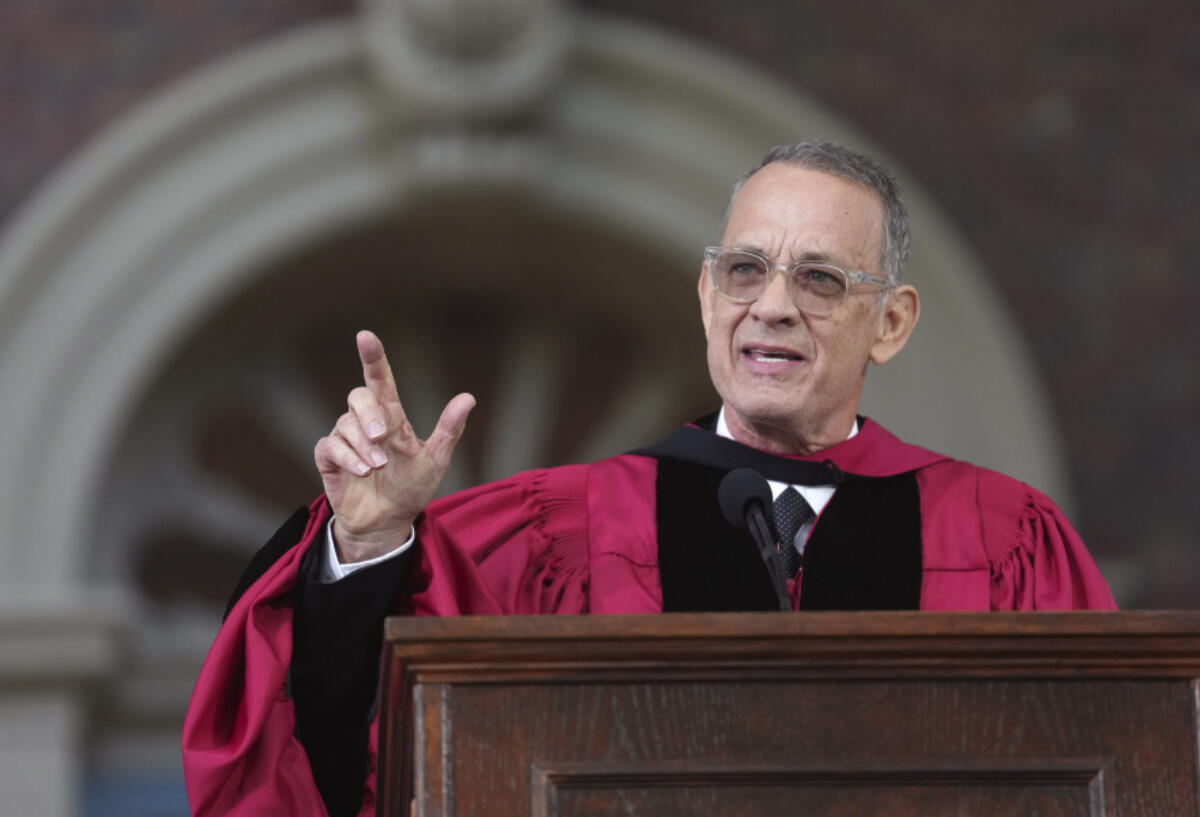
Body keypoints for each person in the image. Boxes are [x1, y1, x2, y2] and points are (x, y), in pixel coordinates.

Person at [182, 141, 1116, 817]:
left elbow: (1109, 763)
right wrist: (373, 544)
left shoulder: (1002, 538)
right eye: (745, 269)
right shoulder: (561, 529)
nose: (774, 306)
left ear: (893, 321)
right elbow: (368, 759)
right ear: (709, 295)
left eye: (822, 279)